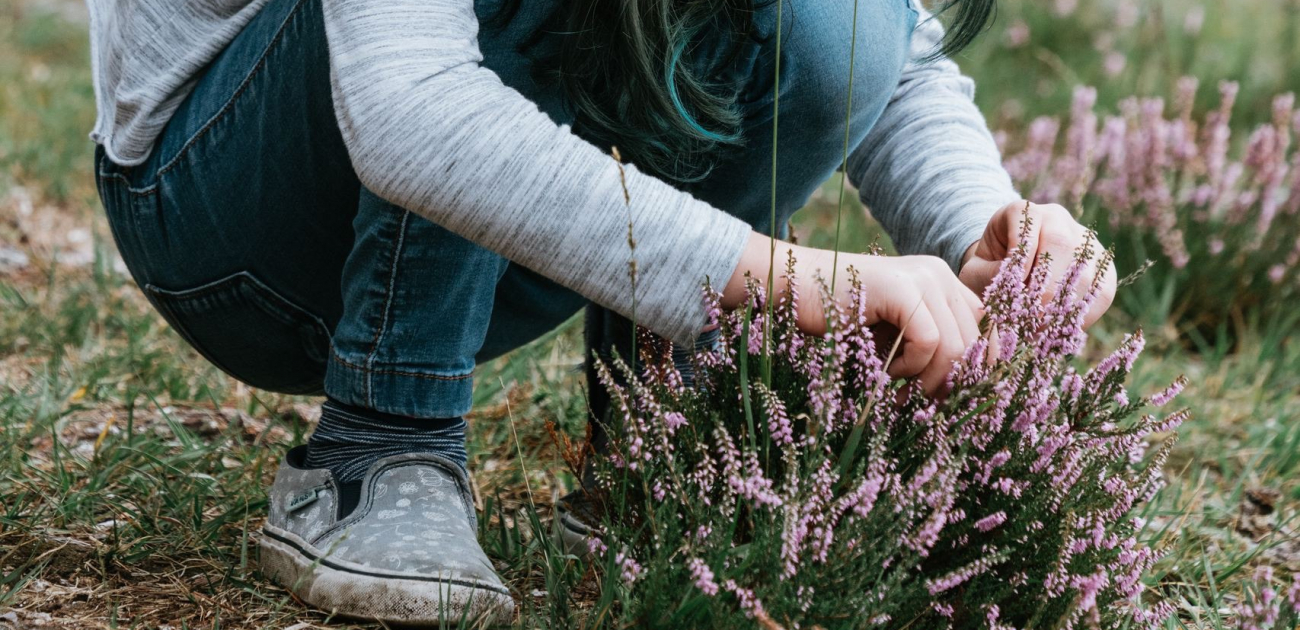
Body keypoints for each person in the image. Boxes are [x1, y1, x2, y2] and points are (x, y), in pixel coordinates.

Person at [86, 0, 1116, 624]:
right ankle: (380, 446)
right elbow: (411, 108)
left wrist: (978, 217)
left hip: (449, 190)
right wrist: (783, 279)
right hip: (227, 218)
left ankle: (650, 457)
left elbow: (886, 47)